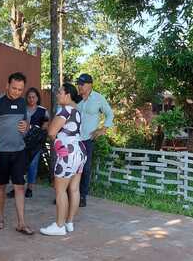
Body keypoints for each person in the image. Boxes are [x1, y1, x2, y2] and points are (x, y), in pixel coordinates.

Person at [0, 72, 34, 235]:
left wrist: (26, 128)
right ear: (7, 85)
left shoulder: (23, 104)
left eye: (20, 89)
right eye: (14, 88)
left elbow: (26, 127)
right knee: (1, 185)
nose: (17, 92)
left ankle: (21, 223)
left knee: (19, 187)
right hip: (0, 152)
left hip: (19, 151)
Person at [40, 83, 87, 236]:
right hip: (80, 152)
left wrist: (53, 137)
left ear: (67, 95)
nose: (57, 95)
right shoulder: (76, 111)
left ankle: (59, 226)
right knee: (74, 189)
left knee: (60, 190)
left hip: (67, 154)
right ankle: (69, 223)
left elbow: (52, 132)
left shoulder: (65, 110)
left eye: (60, 92)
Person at [76, 73, 114, 207]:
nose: (79, 86)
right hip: (74, 139)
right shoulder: (77, 99)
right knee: (72, 167)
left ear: (90, 84)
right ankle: (67, 195)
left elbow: (110, 114)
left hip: (87, 139)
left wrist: (103, 129)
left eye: (82, 84)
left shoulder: (98, 98)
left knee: (85, 168)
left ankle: (82, 196)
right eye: (78, 84)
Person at [7, 87, 49, 199]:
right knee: (17, 165)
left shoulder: (43, 110)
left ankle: (29, 189)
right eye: (29, 97)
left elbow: (45, 127)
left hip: (35, 143)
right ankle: (16, 188)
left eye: (33, 97)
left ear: (37, 98)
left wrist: (35, 129)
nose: (31, 99)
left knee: (32, 166)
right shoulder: (22, 108)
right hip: (20, 141)